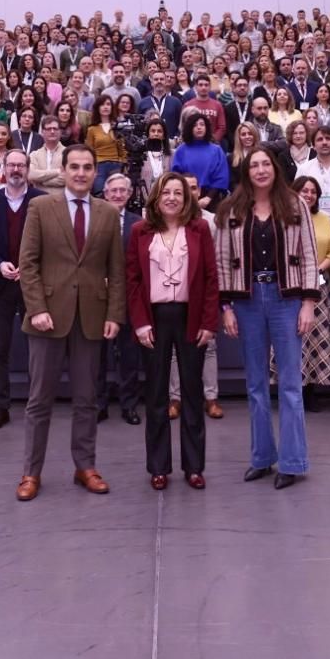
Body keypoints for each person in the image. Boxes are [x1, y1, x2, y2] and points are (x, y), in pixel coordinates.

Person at [15, 144, 126, 502]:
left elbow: (117, 272)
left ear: (96, 173)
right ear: (63, 171)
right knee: (39, 401)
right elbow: (27, 263)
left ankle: (85, 466)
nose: (80, 173)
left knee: (86, 400)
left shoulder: (108, 213)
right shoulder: (40, 207)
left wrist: (114, 314)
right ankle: (31, 473)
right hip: (47, 317)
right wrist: (37, 308)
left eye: (87, 167)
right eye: (74, 167)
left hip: (91, 318)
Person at [215, 146, 319, 489]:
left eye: (265, 164)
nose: (260, 170)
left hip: (284, 298)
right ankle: (261, 457)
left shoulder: (294, 205)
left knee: (289, 384)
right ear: (246, 171)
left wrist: (307, 303)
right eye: (254, 165)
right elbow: (221, 259)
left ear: (274, 168)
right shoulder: (231, 208)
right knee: (255, 384)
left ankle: (292, 461)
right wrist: (226, 306)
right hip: (246, 301)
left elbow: (308, 255)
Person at [127, 172, 219, 490]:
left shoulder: (200, 229)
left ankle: (194, 466)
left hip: (190, 316)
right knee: (155, 395)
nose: (172, 198)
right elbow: (133, 281)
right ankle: (158, 466)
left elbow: (210, 278)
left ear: (187, 198)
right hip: (153, 318)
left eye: (178, 193)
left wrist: (209, 322)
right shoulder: (140, 231)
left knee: (192, 393)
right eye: (166, 192)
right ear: (156, 196)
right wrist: (139, 323)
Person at [0, 150, 45, 431]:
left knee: (36, 348)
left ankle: (36, 405)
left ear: (28, 169)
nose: (16, 169)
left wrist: (30, 267)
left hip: (32, 285)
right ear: (3, 168)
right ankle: (0, 406)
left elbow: (49, 240)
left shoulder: (40, 200)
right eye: (11, 164)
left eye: (21, 165)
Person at [285, 176, 330, 411]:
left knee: (316, 339)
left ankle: (311, 391)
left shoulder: (325, 219)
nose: (308, 195)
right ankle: (292, 390)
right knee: (294, 338)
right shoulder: (284, 217)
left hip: (318, 286)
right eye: (304, 191)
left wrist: (319, 267)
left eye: (313, 192)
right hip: (290, 286)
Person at [98, 173, 144, 424]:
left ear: (129, 194)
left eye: (121, 191)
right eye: (112, 191)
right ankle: (100, 404)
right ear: (105, 194)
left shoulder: (138, 224)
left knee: (129, 354)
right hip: (98, 297)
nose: (117, 195)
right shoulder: (95, 219)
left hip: (128, 297)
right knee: (99, 355)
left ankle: (129, 405)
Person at [172, 114, 231, 210]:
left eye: (202, 124)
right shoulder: (181, 150)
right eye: (195, 125)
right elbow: (176, 175)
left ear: (207, 127)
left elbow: (221, 177)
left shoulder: (216, 150)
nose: (199, 127)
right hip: (186, 197)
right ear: (190, 128)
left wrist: (208, 198)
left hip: (212, 199)